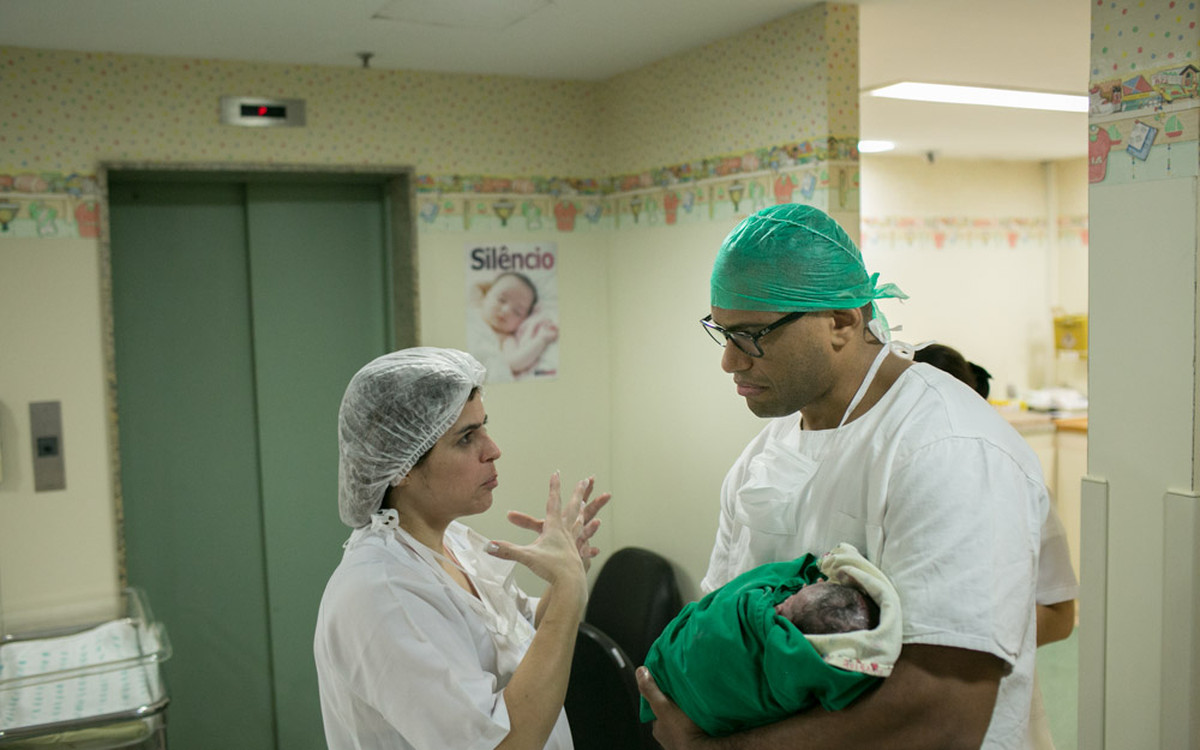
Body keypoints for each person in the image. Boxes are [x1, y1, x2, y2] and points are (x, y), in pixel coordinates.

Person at [636, 204, 1049, 749]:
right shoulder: (764, 456)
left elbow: (944, 718)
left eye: (752, 335)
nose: (730, 362)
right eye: (723, 332)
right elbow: (720, 639)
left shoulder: (952, 450)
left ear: (842, 321)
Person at [313, 347, 609, 749]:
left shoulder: (450, 544)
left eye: (483, 426)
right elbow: (502, 745)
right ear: (401, 467)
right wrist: (570, 589)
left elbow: (525, 638)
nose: (493, 449)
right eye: (466, 438)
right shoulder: (382, 593)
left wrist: (563, 574)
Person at [912, 342, 1078, 749]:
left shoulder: (1018, 481)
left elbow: (1060, 615)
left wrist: (966, 639)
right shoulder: (889, 479)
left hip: (996, 703)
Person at [638, 543, 901, 736]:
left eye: (791, 599)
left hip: (687, 690)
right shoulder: (839, 677)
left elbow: (732, 601)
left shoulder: (764, 625)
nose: (801, 586)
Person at [468, 271, 559, 382]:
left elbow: (515, 362)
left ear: (523, 320)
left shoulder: (505, 338)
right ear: (486, 295)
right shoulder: (472, 310)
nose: (506, 310)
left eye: (517, 312)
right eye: (501, 299)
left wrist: (542, 339)